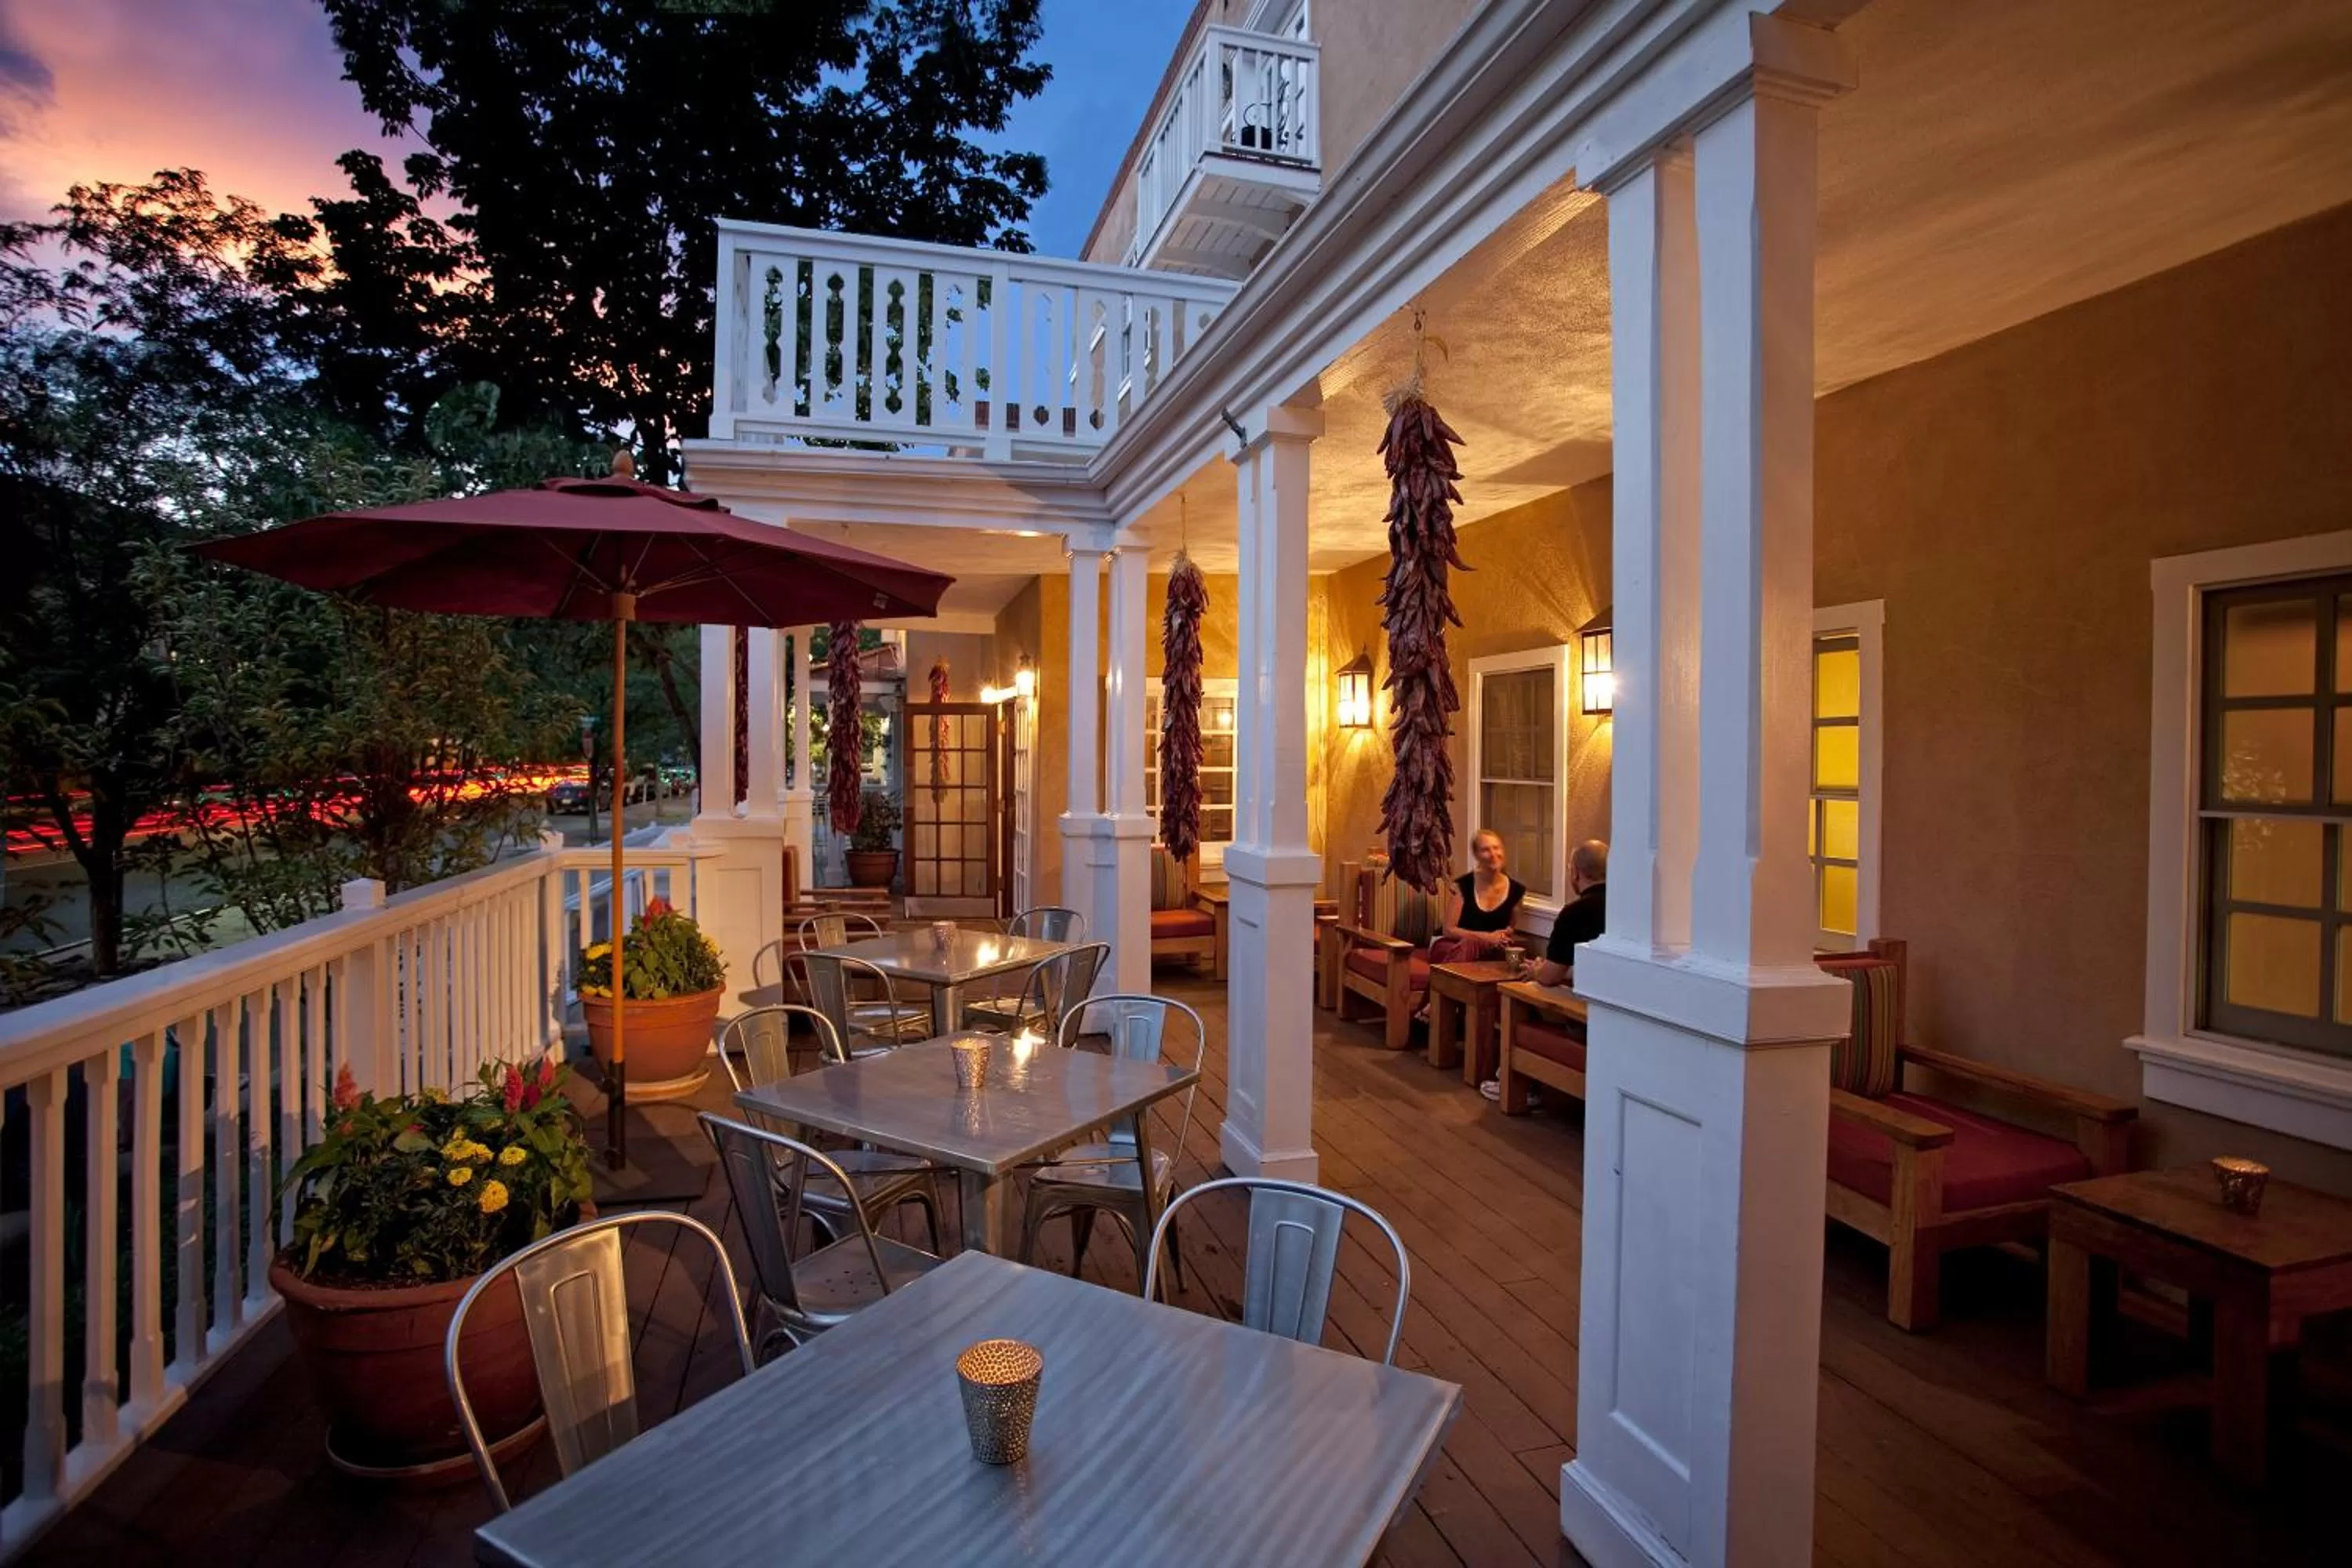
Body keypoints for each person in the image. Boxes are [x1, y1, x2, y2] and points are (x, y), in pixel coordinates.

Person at [1481, 837, 1606, 1102]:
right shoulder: (1628, 909)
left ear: (1575, 873)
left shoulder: (1575, 913)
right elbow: (1598, 965)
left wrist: (1538, 970)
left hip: (1590, 1011)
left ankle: (1518, 1085)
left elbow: (1550, 977)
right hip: (1619, 1007)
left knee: (1523, 991)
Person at [1428, 828, 1526, 966]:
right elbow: (1449, 930)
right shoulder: (1465, 885)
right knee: (1471, 943)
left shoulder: (1516, 891)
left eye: (1496, 848)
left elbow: (1510, 928)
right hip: (1450, 944)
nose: (1493, 854)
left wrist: (1504, 935)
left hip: (1487, 948)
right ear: (1476, 855)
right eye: (1485, 850)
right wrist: (1487, 937)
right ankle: (1439, 985)